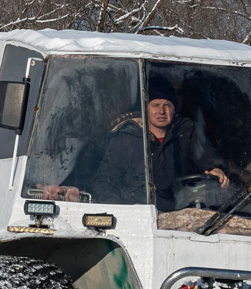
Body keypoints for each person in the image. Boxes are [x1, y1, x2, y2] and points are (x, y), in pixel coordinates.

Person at [94, 75, 229, 211]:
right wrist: (121, 212)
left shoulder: (187, 132)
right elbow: (104, 181)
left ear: (175, 108)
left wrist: (216, 168)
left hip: (179, 212)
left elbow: (205, 154)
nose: (161, 111)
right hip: (137, 213)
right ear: (145, 108)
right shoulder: (125, 138)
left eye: (167, 105)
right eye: (155, 105)